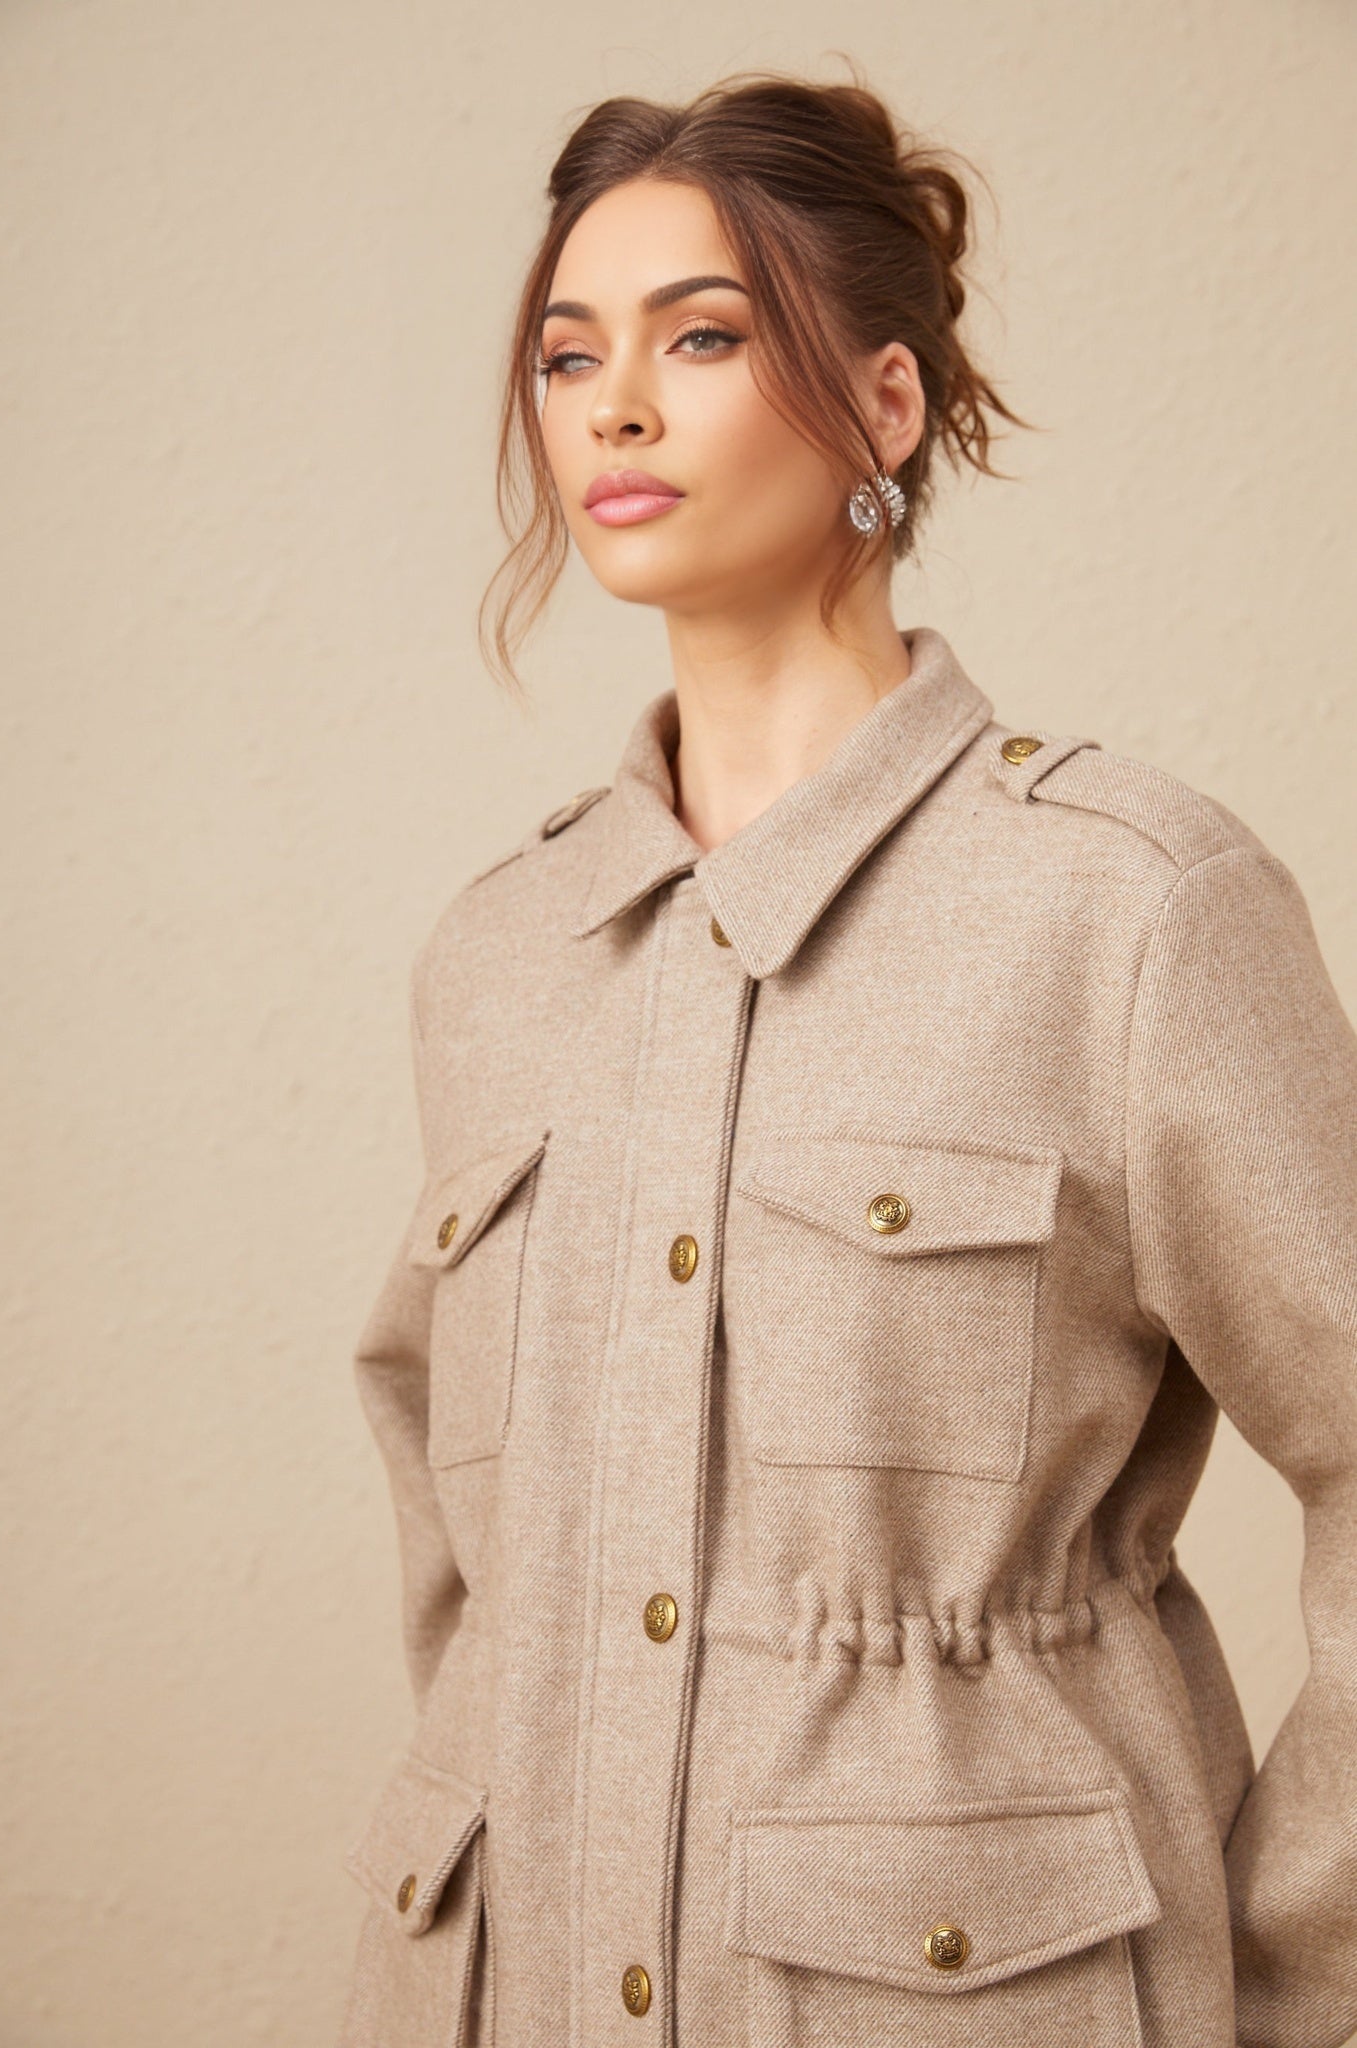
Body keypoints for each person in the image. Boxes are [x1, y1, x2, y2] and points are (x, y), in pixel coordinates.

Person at [335, 66, 1357, 2048]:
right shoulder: (495, 954)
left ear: (882, 406)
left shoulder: (1126, 905)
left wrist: (1295, 1971)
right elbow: (460, 1547)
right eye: (565, 356)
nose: (609, 408)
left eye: (697, 338)